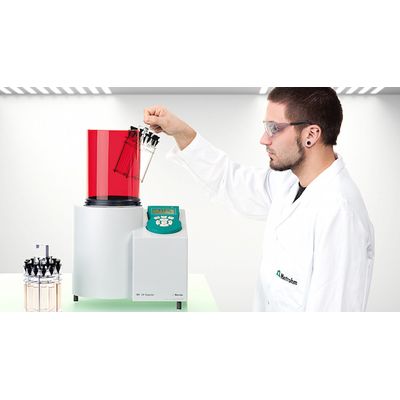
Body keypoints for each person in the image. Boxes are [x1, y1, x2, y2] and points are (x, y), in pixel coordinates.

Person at [143, 87, 375, 311]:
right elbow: (229, 180)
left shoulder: (339, 212)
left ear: (311, 135)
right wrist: (180, 131)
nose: (264, 139)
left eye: (274, 128)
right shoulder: (287, 183)